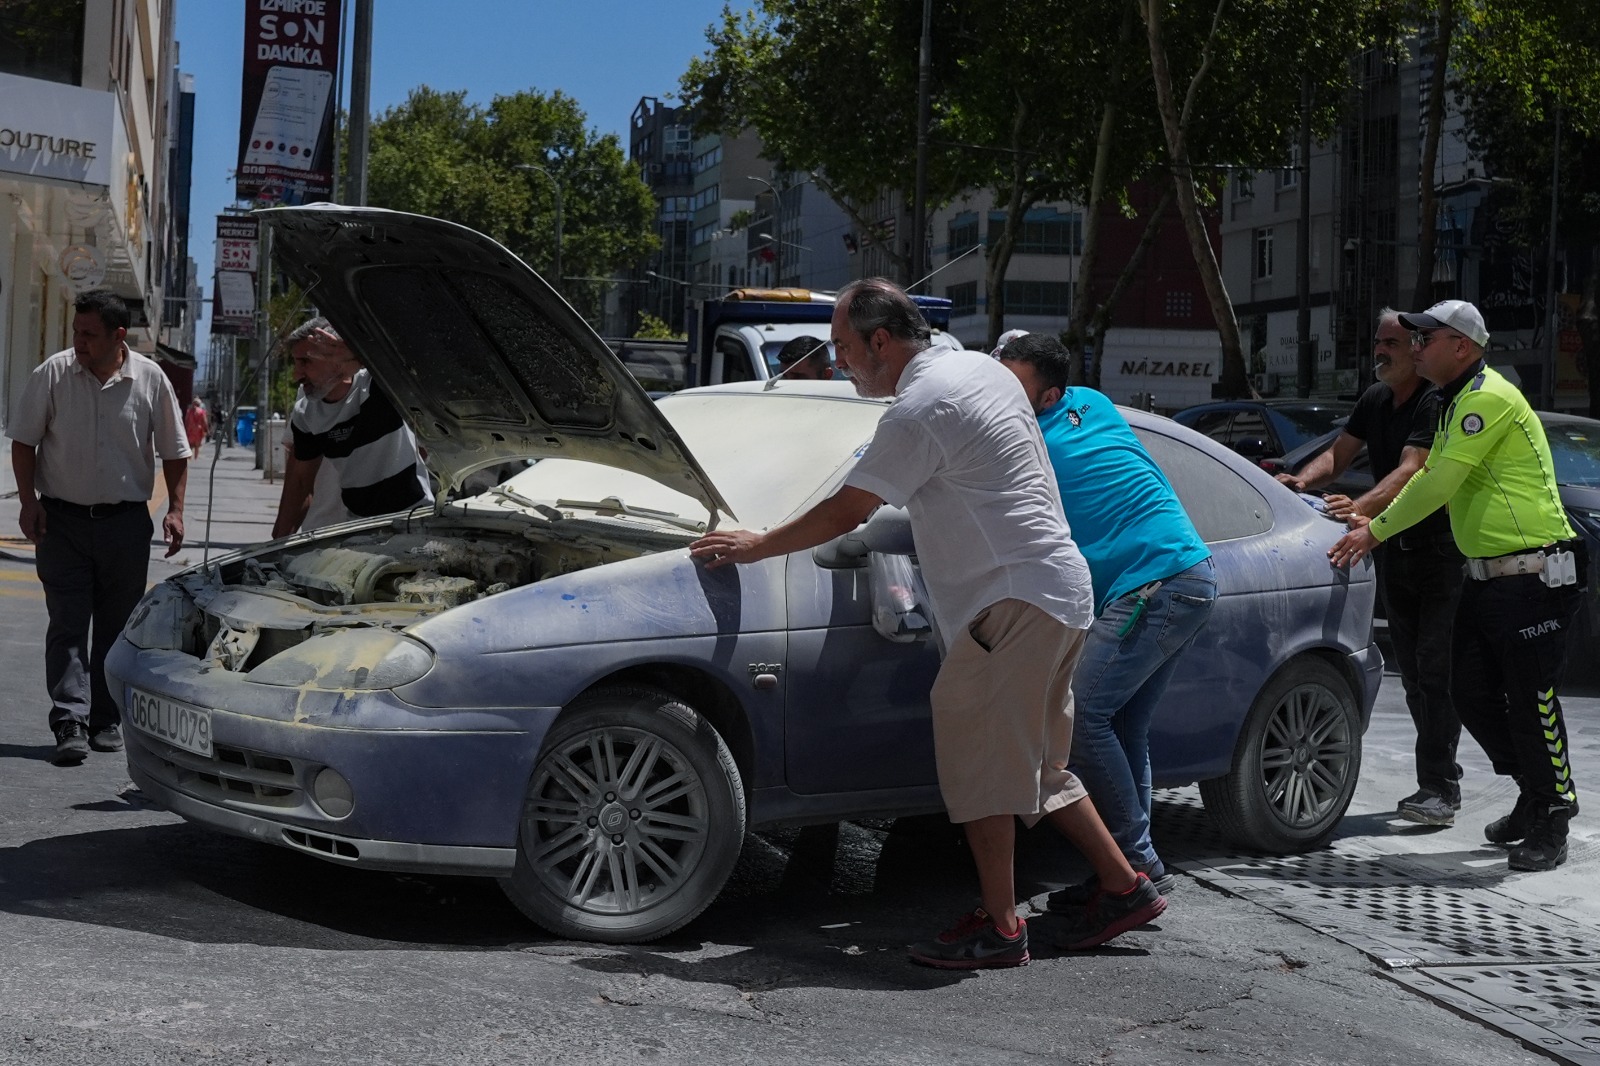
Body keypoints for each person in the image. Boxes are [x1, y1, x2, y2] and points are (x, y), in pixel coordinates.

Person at [690, 279, 1166, 967]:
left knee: (979, 761)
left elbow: (845, 513)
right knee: (1034, 765)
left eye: (845, 347)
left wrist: (755, 544)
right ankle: (1125, 886)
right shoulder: (978, 368)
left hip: (1012, 602)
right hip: (1056, 593)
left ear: (882, 341)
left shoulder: (921, 408)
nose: (839, 361)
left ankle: (1000, 928)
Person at [1330, 299, 1582, 871]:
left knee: (1532, 699)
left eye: (1426, 338)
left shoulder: (1487, 397)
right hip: (1488, 576)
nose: (1414, 347)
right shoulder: (1453, 400)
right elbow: (1425, 475)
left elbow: (1438, 482)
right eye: (1411, 338)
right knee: (1466, 691)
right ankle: (1532, 790)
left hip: (1535, 573)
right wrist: (1379, 525)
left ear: (1462, 346)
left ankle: (1554, 812)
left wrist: (1374, 530)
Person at [995, 332, 1216, 906]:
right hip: (1186, 575)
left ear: (1048, 397)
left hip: (1153, 583)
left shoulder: (1024, 439)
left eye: (1012, 383)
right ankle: (1136, 866)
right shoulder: (1092, 401)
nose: (1000, 393)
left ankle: (1135, 868)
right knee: (1122, 726)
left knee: (1085, 717)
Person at [1278, 309, 1465, 826]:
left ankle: (1443, 788)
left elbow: (1413, 470)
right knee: (1414, 674)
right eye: (1377, 340)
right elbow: (1336, 457)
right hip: (1395, 550)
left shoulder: (1434, 399)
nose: (1380, 350)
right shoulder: (1377, 397)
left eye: (1392, 342)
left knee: (1437, 671)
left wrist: (1362, 512)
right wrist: (1299, 481)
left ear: (1419, 348)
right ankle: (1435, 785)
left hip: (1443, 553)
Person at [7, 289, 190, 766]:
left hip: (125, 525)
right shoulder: (53, 373)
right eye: (76, 332)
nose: (79, 342)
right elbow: (24, 442)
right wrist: (28, 503)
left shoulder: (150, 379)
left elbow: (175, 450)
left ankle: (106, 718)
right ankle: (70, 718)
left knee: (116, 624)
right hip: (61, 520)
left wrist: (175, 509)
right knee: (67, 621)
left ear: (118, 336)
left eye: (89, 334)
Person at [270, 318, 431, 539]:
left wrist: (358, 355)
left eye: (305, 362)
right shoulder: (306, 413)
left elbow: (416, 357)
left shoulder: (379, 386)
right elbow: (299, 484)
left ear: (336, 356)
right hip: (358, 530)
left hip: (413, 522)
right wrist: (276, 544)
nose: (296, 375)